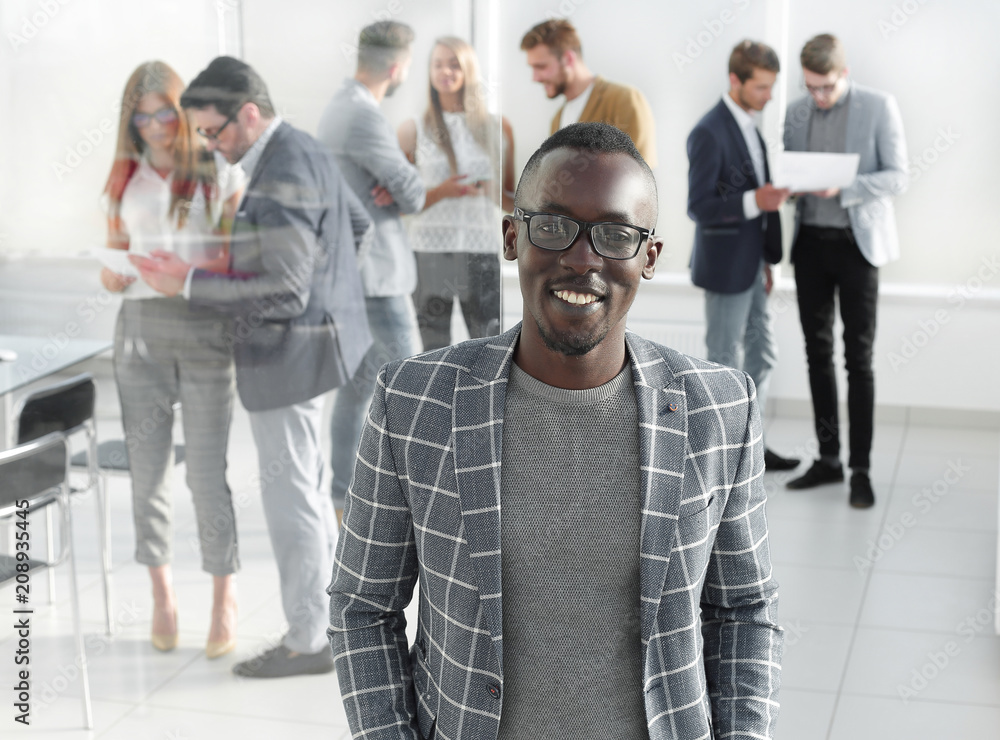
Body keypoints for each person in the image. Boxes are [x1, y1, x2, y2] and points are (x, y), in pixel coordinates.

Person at [330, 122, 783, 739]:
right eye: (552, 225)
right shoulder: (413, 401)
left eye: (616, 235)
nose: (581, 258)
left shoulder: (720, 409)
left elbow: (743, 609)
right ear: (513, 237)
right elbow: (363, 608)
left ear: (648, 257)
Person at [133, 56, 373, 677]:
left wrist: (187, 282)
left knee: (293, 498)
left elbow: (284, 292)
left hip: (289, 356)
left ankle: (307, 642)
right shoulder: (303, 146)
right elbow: (356, 223)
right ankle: (325, 622)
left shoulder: (282, 167)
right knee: (311, 490)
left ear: (248, 113)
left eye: (214, 132)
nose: (210, 145)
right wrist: (329, 291)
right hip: (324, 345)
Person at [100, 60, 243, 659]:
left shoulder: (217, 171)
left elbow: (238, 263)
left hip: (204, 327)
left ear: (181, 112)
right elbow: (111, 259)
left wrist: (183, 277)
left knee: (206, 473)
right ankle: (161, 593)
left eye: (164, 112)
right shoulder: (121, 179)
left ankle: (223, 596)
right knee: (148, 471)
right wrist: (112, 275)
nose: (155, 125)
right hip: (138, 330)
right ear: (129, 121)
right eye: (142, 115)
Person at [318, 21, 474, 524]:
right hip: (375, 276)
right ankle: (428, 506)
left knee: (359, 386)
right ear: (398, 66)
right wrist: (402, 182)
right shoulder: (362, 116)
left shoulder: (343, 108)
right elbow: (409, 191)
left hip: (358, 272)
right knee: (416, 386)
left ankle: (344, 499)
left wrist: (398, 181)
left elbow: (401, 185)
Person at [783, 34, 908, 508]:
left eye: (826, 87)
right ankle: (829, 459)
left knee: (858, 360)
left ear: (844, 73)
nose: (818, 96)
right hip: (811, 246)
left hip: (858, 248)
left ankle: (861, 469)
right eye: (811, 87)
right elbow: (790, 174)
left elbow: (898, 175)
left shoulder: (879, 107)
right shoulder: (796, 112)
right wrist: (791, 184)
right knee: (817, 355)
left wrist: (847, 186)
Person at [687, 40, 799, 473]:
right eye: (762, 87)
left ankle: (750, 445)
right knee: (722, 360)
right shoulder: (708, 131)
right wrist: (756, 200)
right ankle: (719, 459)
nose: (769, 96)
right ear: (735, 81)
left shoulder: (751, 127)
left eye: (772, 87)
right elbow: (700, 206)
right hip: (724, 267)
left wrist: (765, 262)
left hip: (752, 265)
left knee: (761, 356)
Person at [398, 36, 515, 351]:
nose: (445, 71)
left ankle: (483, 402)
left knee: (489, 346)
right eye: (438, 64)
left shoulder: (498, 128)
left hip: (481, 251)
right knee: (433, 347)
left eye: (454, 64)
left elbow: (514, 203)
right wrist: (442, 192)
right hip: (429, 252)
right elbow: (399, 206)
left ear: (468, 71)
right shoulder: (412, 131)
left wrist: (491, 191)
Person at [520, 19, 657, 167]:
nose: (535, 78)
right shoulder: (556, 120)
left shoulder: (624, 99)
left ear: (568, 59)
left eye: (541, 67)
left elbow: (640, 177)